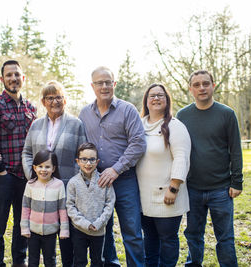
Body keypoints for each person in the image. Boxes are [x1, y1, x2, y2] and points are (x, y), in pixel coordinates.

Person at [79, 66, 146, 266]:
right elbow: (82, 146)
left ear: (114, 84)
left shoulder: (127, 110)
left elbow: (138, 143)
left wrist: (116, 169)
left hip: (125, 180)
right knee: (103, 231)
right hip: (98, 182)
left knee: (132, 231)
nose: (105, 86)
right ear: (92, 86)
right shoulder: (84, 114)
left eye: (108, 82)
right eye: (100, 82)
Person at [176, 70, 243, 267]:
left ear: (213, 86)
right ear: (191, 89)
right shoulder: (183, 115)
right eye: (196, 85)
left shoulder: (227, 114)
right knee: (193, 235)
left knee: (225, 237)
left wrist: (236, 181)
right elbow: (179, 149)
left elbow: (236, 151)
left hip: (221, 189)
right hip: (193, 188)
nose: (202, 88)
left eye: (206, 83)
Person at [22, 80, 86, 266]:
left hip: (67, 188)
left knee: (67, 236)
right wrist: (32, 177)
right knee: (42, 236)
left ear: (64, 100)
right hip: (41, 191)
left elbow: (82, 156)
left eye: (58, 97)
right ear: (43, 102)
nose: (54, 101)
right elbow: (27, 152)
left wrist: (74, 183)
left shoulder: (76, 124)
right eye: (50, 98)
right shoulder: (35, 125)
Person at [0, 60, 37, 267]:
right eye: (9, 75)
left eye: (17, 75)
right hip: (3, 177)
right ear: (2, 79)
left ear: (23, 78)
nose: (13, 78)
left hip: (26, 178)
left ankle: (19, 261)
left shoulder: (31, 108)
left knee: (22, 224)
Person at [136, 84, 191, 267]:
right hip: (144, 196)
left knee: (167, 239)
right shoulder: (138, 125)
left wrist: (174, 187)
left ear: (167, 100)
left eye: (161, 95)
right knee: (150, 239)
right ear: (146, 100)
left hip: (167, 195)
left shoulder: (175, 126)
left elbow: (182, 158)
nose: (156, 98)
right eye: (152, 95)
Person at [66, 142, 116, 267]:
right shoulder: (73, 183)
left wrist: (99, 223)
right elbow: (70, 206)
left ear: (97, 161)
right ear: (77, 161)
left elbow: (109, 204)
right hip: (79, 230)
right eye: (84, 159)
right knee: (79, 261)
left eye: (92, 159)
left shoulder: (104, 180)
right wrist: (85, 224)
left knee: (98, 261)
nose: (88, 163)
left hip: (98, 230)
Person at [21, 150, 69, 267]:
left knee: (50, 259)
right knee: (33, 259)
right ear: (34, 168)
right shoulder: (30, 185)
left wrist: (64, 229)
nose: (43, 170)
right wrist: (24, 228)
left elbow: (62, 209)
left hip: (51, 231)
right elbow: (25, 207)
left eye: (47, 167)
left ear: (53, 168)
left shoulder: (59, 185)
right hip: (33, 231)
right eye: (40, 166)